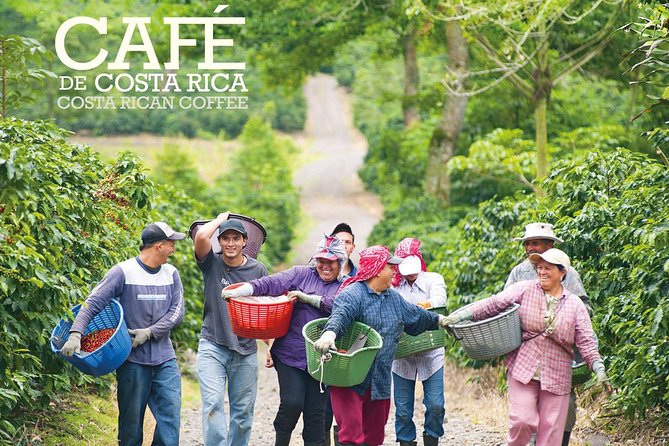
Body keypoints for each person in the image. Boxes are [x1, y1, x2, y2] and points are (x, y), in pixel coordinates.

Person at [442, 248, 610, 446]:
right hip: (523, 369)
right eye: (539, 267)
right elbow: (494, 303)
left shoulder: (575, 305)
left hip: (558, 375)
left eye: (548, 268)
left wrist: (598, 368)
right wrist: (462, 315)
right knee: (523, 421)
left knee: (551, 433)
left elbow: (586, 340)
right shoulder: (525, 289)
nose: (542, 272)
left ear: (562, 272)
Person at [61, 221, 186, 446]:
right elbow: (92, 302)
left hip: (164, 358)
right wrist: (75, 333)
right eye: (171, 243)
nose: (174, 248)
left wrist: (149, 332)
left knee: (171, 418)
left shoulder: (171, 273)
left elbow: (177, 312)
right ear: (158, 246)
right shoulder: (123, 271)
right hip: (132, 359)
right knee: (130, 425)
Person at [313, 245, 451, 446]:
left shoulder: (392, 297)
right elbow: (339, 316)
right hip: (349, 376)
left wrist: (440, 320)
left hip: (379, 379)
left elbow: (415, 315)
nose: (394, 271)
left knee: (374, 437)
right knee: (351, 436)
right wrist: (329, 334)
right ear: (377, 270)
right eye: (390, 267)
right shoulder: (353, 294)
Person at [222, 235, 348, 446]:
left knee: (316, 417)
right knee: (292, 403)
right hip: (291, 354)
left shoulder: (345, 286)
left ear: (340, 262)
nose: (325, 266)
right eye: (321, 261)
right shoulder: (301, 274)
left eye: (331, 262)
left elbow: (339, 306)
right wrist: (241, 290)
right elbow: (271, 283)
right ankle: (281, 439)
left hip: (323, 361)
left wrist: (307, 298)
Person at [506, 222, 590, 446]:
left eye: (536, 243)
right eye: (528, 244)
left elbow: (584, 309)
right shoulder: (519, 273)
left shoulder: (568, 272)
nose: (530, 248)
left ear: (550, 244)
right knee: (525, 414)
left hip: (559, 357)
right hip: (526, 352)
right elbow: (503, 306)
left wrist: (561, 315)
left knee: (564, 409)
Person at [193, 212, 269, 445]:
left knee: (243, 414)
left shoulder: (258, 271)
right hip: (212, 345)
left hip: (245, 350)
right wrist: (219, 219)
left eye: (236, 238)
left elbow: (266, 309)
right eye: (225, 238)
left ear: (245, 241)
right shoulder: (211, 263)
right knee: (213, 404)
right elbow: (201, 237)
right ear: (220, 241)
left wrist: (271, 346)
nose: (230, 243)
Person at [391, 238, 447, 446]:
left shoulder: (433, 279)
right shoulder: (394, 286)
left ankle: (432, 437)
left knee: (435, 405)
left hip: (430, 352)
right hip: (402, 353)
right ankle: (406, 441)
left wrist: (425, 305)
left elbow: (440, 299)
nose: (409, 275)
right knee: (403, 410)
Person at [325, 222, 358, 446]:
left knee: (347, 412)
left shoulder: (361, 276)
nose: (343, 246)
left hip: (350, 349)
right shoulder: (322, 269)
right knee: (323, 410)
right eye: (338, 241)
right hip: (323, 347)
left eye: (347, 242)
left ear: (353, 247)